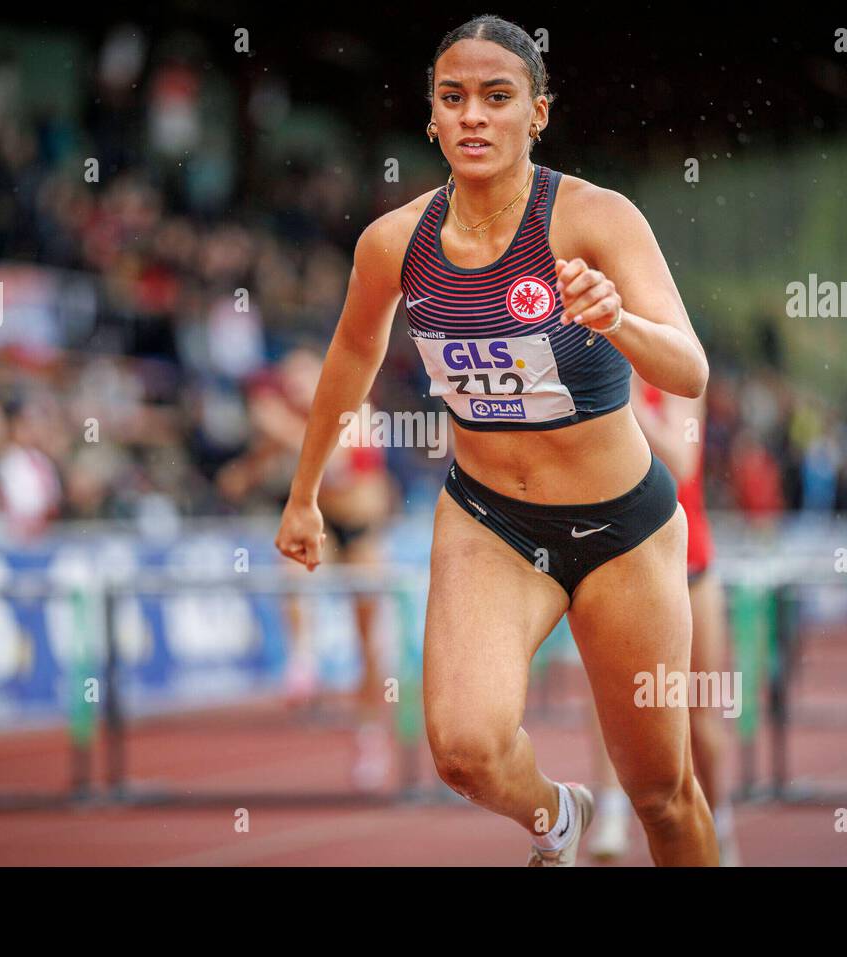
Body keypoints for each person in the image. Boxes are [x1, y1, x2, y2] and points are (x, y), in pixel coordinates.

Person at [274, 15, 716, 864]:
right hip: (491, 524)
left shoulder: (595, 218)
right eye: (454, 98)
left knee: (663, 793)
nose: (473, 115)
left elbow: (690, 368)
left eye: (497, 96)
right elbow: (348, 363)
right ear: (432, 120)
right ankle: (558, 818)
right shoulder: (393, 244)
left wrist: (616, 319)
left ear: (538, 113)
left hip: (622, 526)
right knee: (465, 752)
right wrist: (302, 495)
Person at [219, 346, 397, 790]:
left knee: (367, 635)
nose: (296, 386)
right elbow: (249, 473)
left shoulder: (356, 410)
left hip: (360, 530)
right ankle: (302, 656)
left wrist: (277, 425)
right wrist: (245, 471)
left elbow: (334, 464)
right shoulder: (292, 419)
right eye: (290, 379)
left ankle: (369, 732)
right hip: (319, 525)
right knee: (292, 570)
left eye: (303, 376)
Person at [585, 372, 741, 865]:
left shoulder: (671, 372)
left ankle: (722, 830)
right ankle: (611, 810)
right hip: (620, 564)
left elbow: (682, 461)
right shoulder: (584, 368)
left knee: (701, 728)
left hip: (689, 566)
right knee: (613, 703)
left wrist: (627, 400)